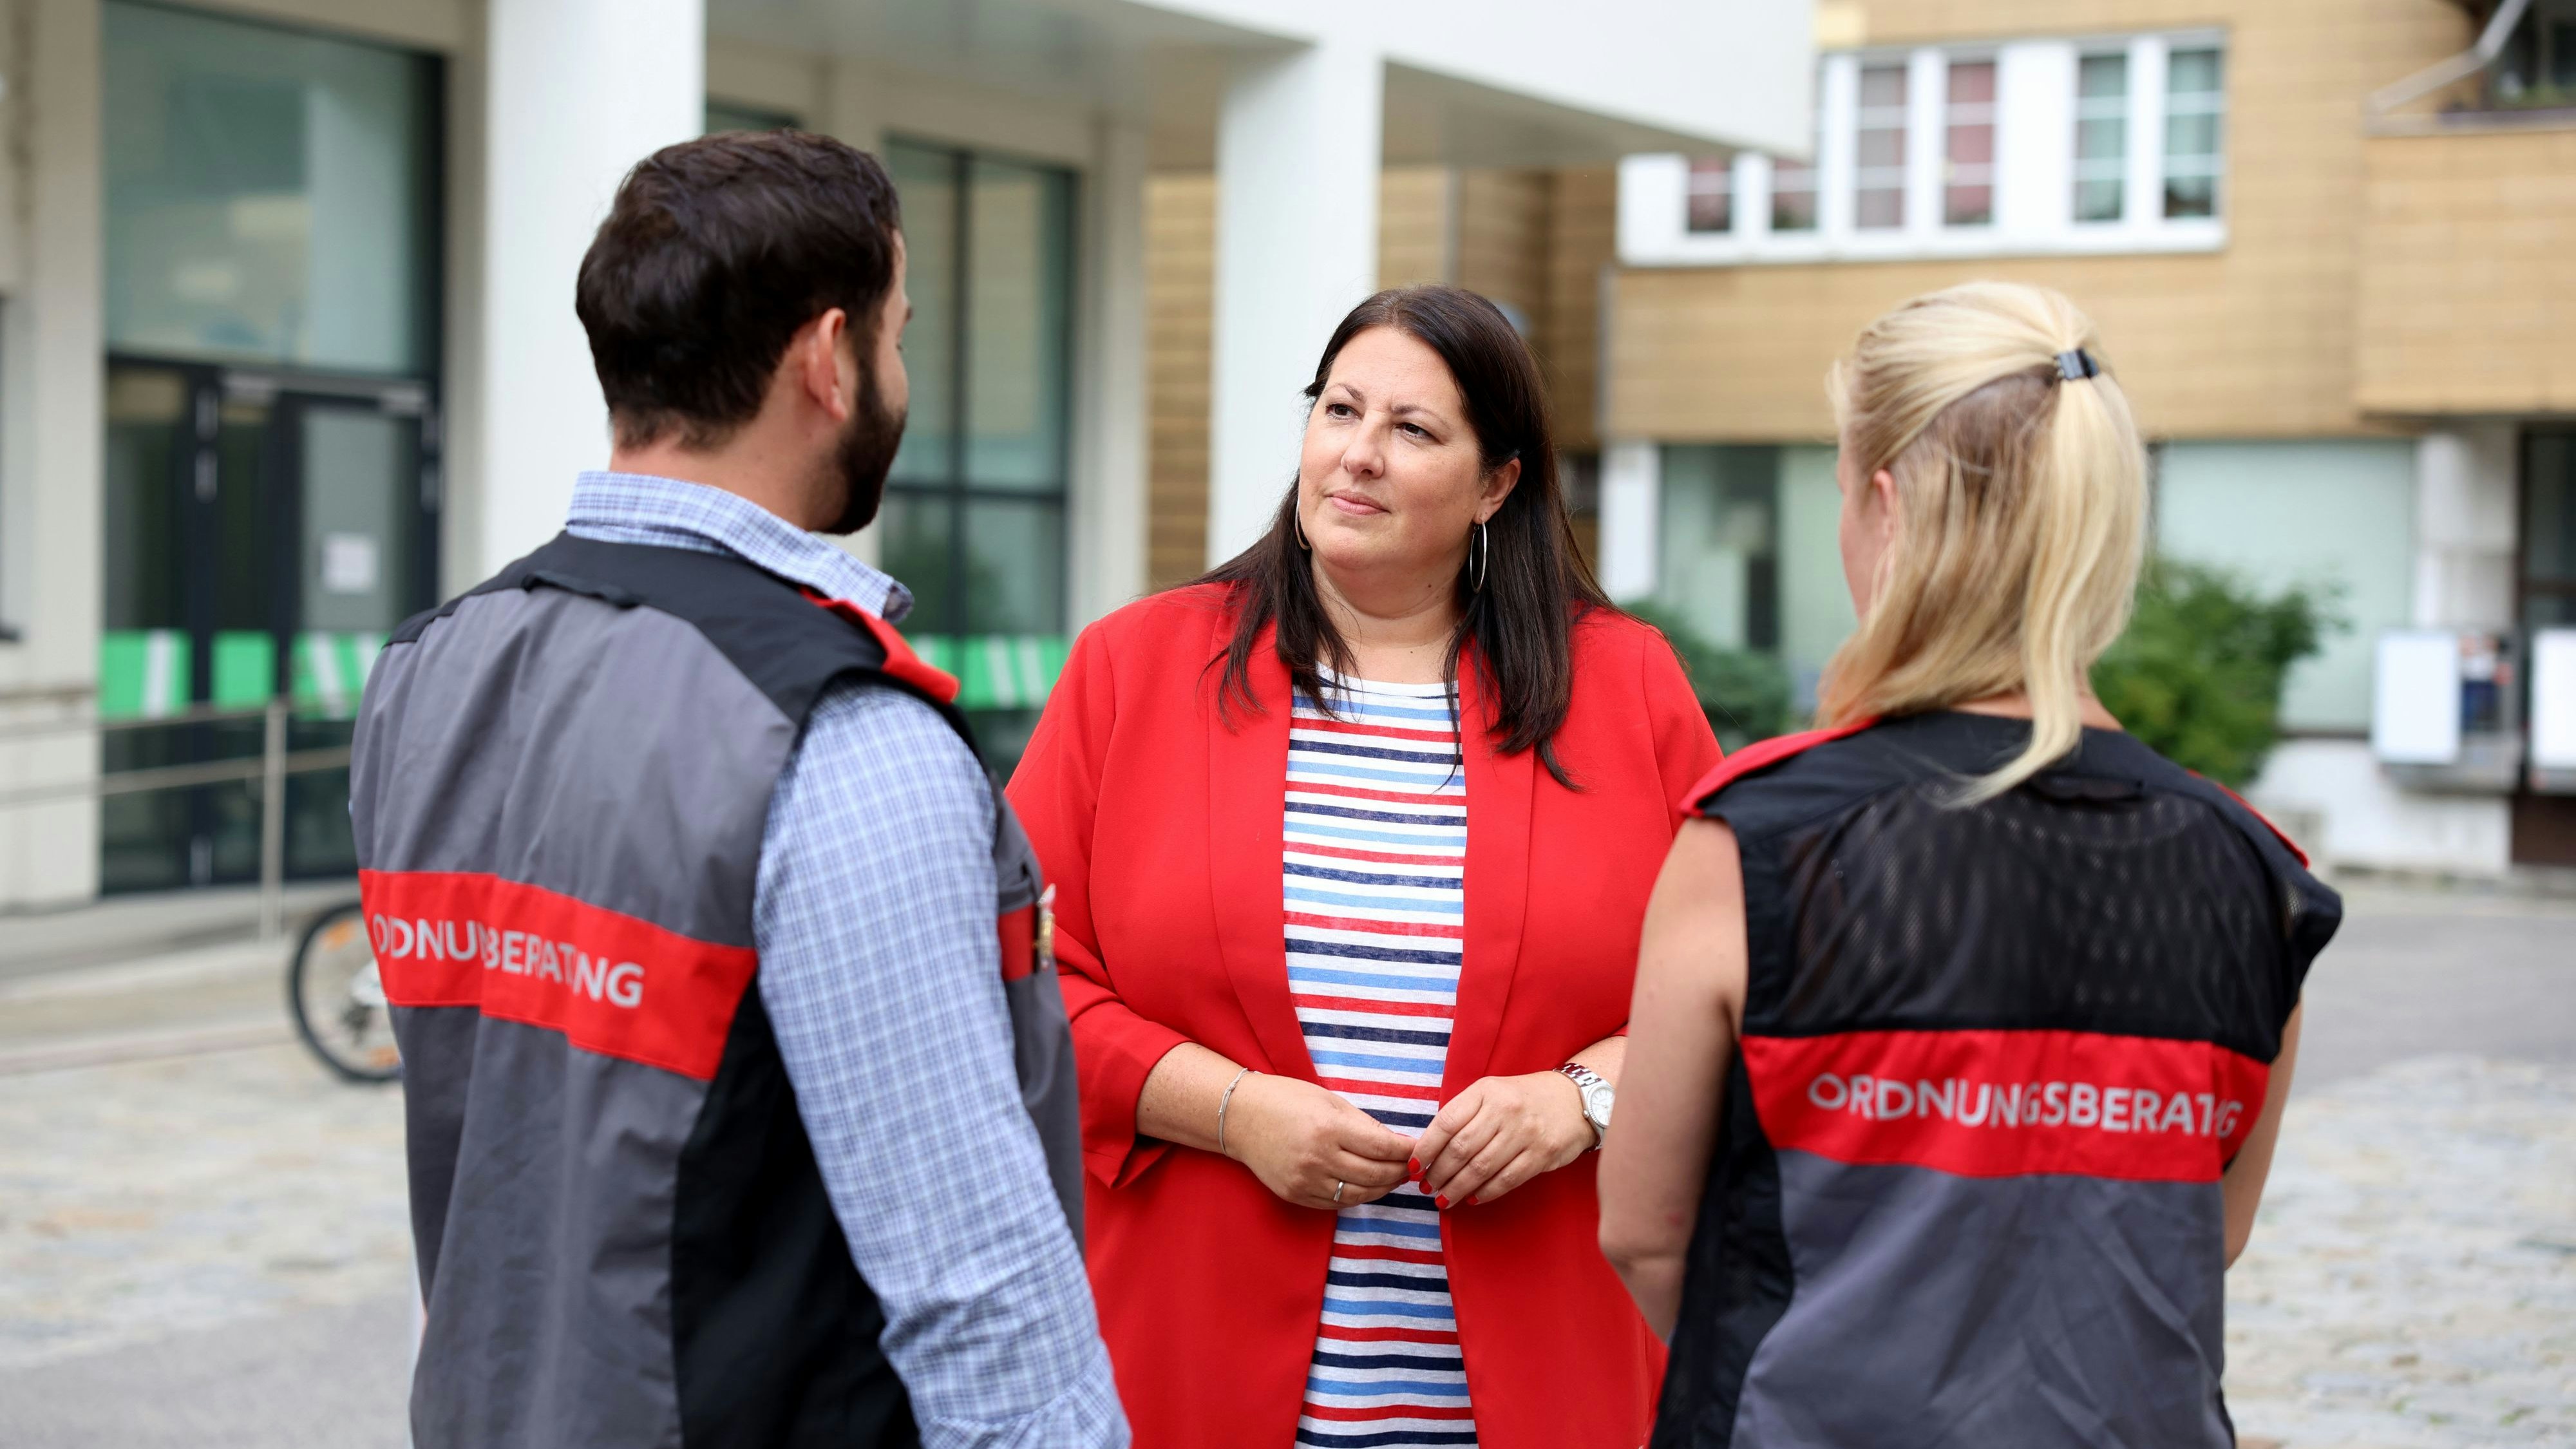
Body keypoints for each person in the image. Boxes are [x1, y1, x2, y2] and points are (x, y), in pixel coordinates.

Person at [348, 131, 1126, 1448]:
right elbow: (978, 1295)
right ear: (827, 361)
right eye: (897, 336)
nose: (897, 375)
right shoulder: (841, 738)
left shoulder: (428, 670)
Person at [1598, 281, 2341, 1447]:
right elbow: (2210, 1230)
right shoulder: (2255, 873)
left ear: (1885, 508)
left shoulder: (1758, 841)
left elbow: (1644, 1233)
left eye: (1841, 494)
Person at [1007, 284, 1723, 1449]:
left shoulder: (1628, 688)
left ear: (1500, 482)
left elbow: (1743, 992)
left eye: (1415, 429)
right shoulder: (1134, 669)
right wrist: (1233, 1111)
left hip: (1549, 1373)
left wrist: (1582, 1099)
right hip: (1187, 1368)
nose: (1359, 455)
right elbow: (1020, 981)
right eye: (1340, 410)